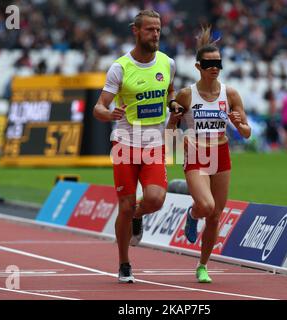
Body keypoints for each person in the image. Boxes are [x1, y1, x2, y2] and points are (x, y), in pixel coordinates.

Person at [93, 10, 177, 283]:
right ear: (136, 31)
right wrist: (108, 114)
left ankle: (137, 216)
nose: (156, 34)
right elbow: (99, 107)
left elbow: (170, 91)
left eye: (158, 30)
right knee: (124, 206)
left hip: (154, 142)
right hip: (125, 143)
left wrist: (173, 104)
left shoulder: (167, 63)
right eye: (150, 29)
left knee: (155, 199)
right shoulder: (120, 67)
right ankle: (124, 262)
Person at [166, 26, 251, 283]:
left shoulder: (231, 94)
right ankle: (192, 215)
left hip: (221, 154)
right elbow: (170, 131)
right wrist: (174, 120)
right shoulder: (186, 95)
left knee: (215, 217)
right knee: (206, 205)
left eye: (218, 64)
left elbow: (247, 133)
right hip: (196, 155)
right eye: (208, 64)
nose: (214, 68)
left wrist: (238, 124)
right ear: (198, 66)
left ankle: (202, 265)